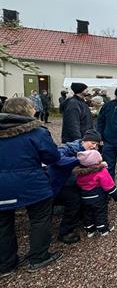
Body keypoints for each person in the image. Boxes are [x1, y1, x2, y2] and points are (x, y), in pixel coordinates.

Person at [0, 97, 62, 277]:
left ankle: (6, 264)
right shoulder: (36, 132)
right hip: (32, 184)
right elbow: (52, 157)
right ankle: (39, 257)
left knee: (3, 224)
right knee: (39, 219)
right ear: (27, 110)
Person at [48, 129, 102, 244]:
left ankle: (84, 220)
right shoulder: (68, 148)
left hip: (72, 183)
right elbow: (58, 160)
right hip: (58, 184)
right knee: (74, 201)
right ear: (84, 141)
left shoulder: (89, 152)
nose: (94, 147)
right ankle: (65, 232)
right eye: (92, 143)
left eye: (96, 145)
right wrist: (80, 160)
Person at [74, 150, 117, 237]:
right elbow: (108, 185)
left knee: (87, 213)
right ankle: (103, 229)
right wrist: (115, 194)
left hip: (84, 196)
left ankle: (90, 230)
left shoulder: (80, 172)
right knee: (100, 212)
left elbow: (78, 183)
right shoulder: (101, 171)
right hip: (98, 196)